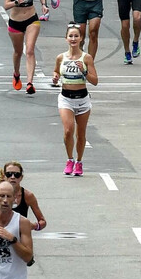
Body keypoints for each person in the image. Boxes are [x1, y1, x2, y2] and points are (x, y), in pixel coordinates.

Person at [54, 24, 97, 176]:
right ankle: (69, 159)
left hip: (83, 99)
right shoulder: (61, 57)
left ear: (81, 39)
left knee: (81, 134)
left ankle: (79, 161)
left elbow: (95, 80)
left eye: (76, 36)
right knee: (68, 131)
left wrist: (83, 71)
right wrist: (55, 77)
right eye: (70, 36)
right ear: (66, 39)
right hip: (66, 98)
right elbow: (56, 72)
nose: (73, 39)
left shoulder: (86, 58)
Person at [3, 0, 47, 94]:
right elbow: (5, 5)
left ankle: (30, 83)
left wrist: (44, 5)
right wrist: (17, 2)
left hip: (31, 19)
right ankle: (16, 74)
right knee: (18, 52)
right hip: (15, 22)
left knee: (29, 50)